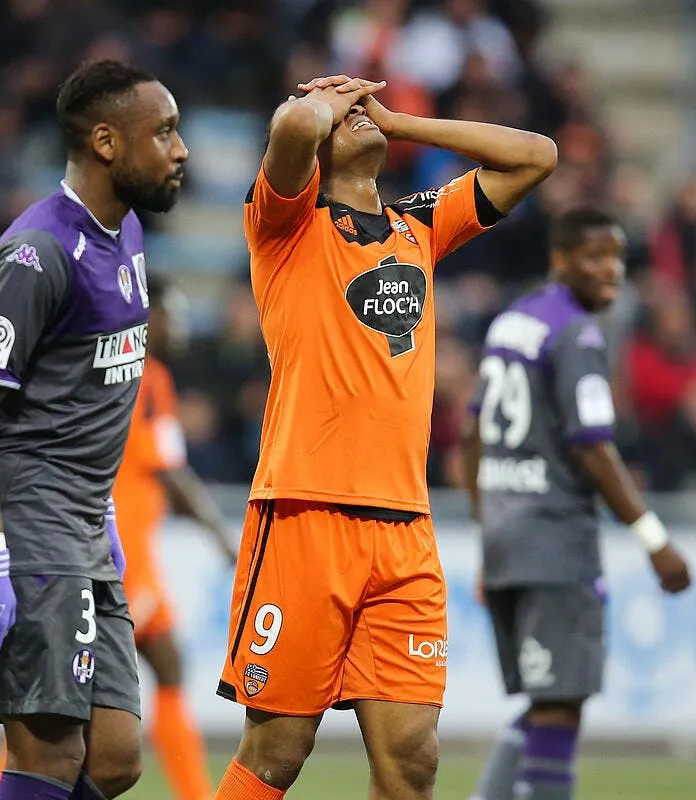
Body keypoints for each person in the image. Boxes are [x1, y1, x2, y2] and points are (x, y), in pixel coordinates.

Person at [211, 73, 558, 800]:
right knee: (277, 749)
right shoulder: (285, 227)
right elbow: (292, 133)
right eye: (344, 114)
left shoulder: (419, 224)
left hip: (404, 527)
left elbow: (535, 156)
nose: (355, 114)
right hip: (307, 513)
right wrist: (318, 106)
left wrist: (400, 122)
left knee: (412, 759)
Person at [0, 59, 187, 800]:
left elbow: (82, 392)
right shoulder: (37, 251)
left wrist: (101, 506)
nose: (180, 150)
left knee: (113, 760)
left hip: (82, 520)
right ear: (107, 142)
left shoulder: (129, 234)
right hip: (25, 518)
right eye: (165, 132)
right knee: (46, 757)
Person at [0, 276, 237, 800]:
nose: (176, 326)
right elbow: (172, 474)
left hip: (99, 546)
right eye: (169, 313)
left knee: (78, 693)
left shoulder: (104, 369)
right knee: (63, 704)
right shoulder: (148, 376)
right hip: (116, 556)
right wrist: (223, 539)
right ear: (146, 317)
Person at [460, 208, 693, 800]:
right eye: (594, 256)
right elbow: (593, 450)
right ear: (560, 259)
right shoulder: (578, 334)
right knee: (560, 711)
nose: (610, 270)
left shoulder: (511, 323)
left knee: (545, 705)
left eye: (616, 257)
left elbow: (470, 439)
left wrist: (489, 535)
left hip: (510, 541)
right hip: (555, 546)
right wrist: (655, 541)